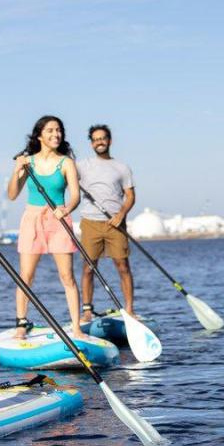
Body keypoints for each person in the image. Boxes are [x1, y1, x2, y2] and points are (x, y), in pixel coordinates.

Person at [5, 115, 84, 342]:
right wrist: (16, 170)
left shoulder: (66, 162)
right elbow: (12, 195)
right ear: (39, 135)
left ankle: (76, 327)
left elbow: (76, 196)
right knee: (26, 276)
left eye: (58, 130)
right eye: (50, 130)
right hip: (32, 220)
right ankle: (21, 323)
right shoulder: (27, 162)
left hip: (59, 219)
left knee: (67, 276)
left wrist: (66, 209)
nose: (55, 134)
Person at [77, 124, 137, 323]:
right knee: (88, 267)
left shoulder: (122, 168)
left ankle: (129, 309)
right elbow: (64, 174)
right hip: (90, 222)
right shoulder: (82, 165)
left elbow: (130, 196)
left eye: (102, 138)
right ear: (91, 143)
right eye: (95, 139)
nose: (99, 142)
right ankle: (87, 311)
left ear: (109, 141)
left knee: (123, 266)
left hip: (115, 223)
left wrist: (121, 214)